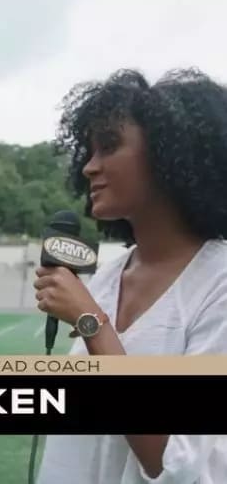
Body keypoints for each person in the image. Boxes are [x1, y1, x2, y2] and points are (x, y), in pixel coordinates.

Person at [34, 68, 227, 484]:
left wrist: (91, 322)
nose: (89, 167)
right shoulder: (106, 278)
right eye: (88, 150)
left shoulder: (220, 285)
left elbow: (173, 464)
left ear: (169, 155)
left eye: (108, 146)